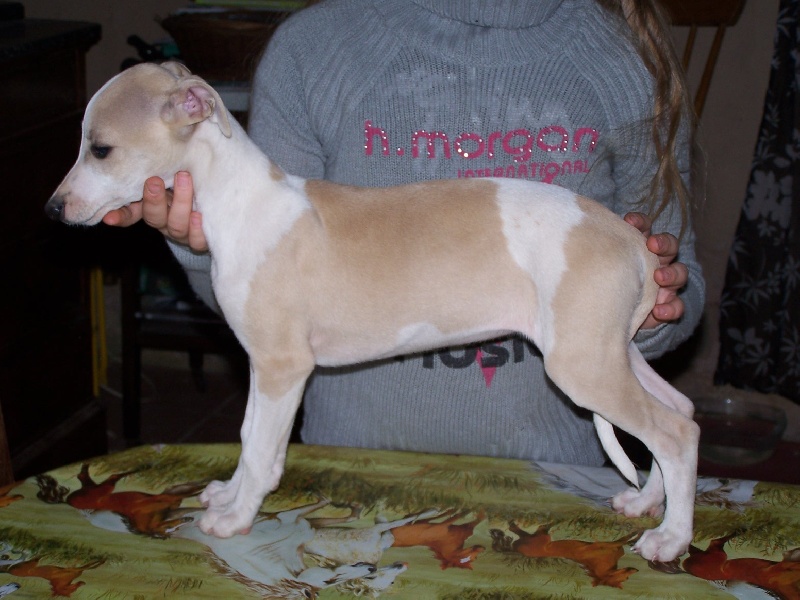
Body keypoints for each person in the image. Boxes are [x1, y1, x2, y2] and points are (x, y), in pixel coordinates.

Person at [104, 0, 704, 466]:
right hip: (353, 459)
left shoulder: (623, 61)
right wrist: (202, 245)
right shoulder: (315, 49)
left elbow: (678, 275)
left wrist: (651, 309)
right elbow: (274, 310)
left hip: (553, 469)